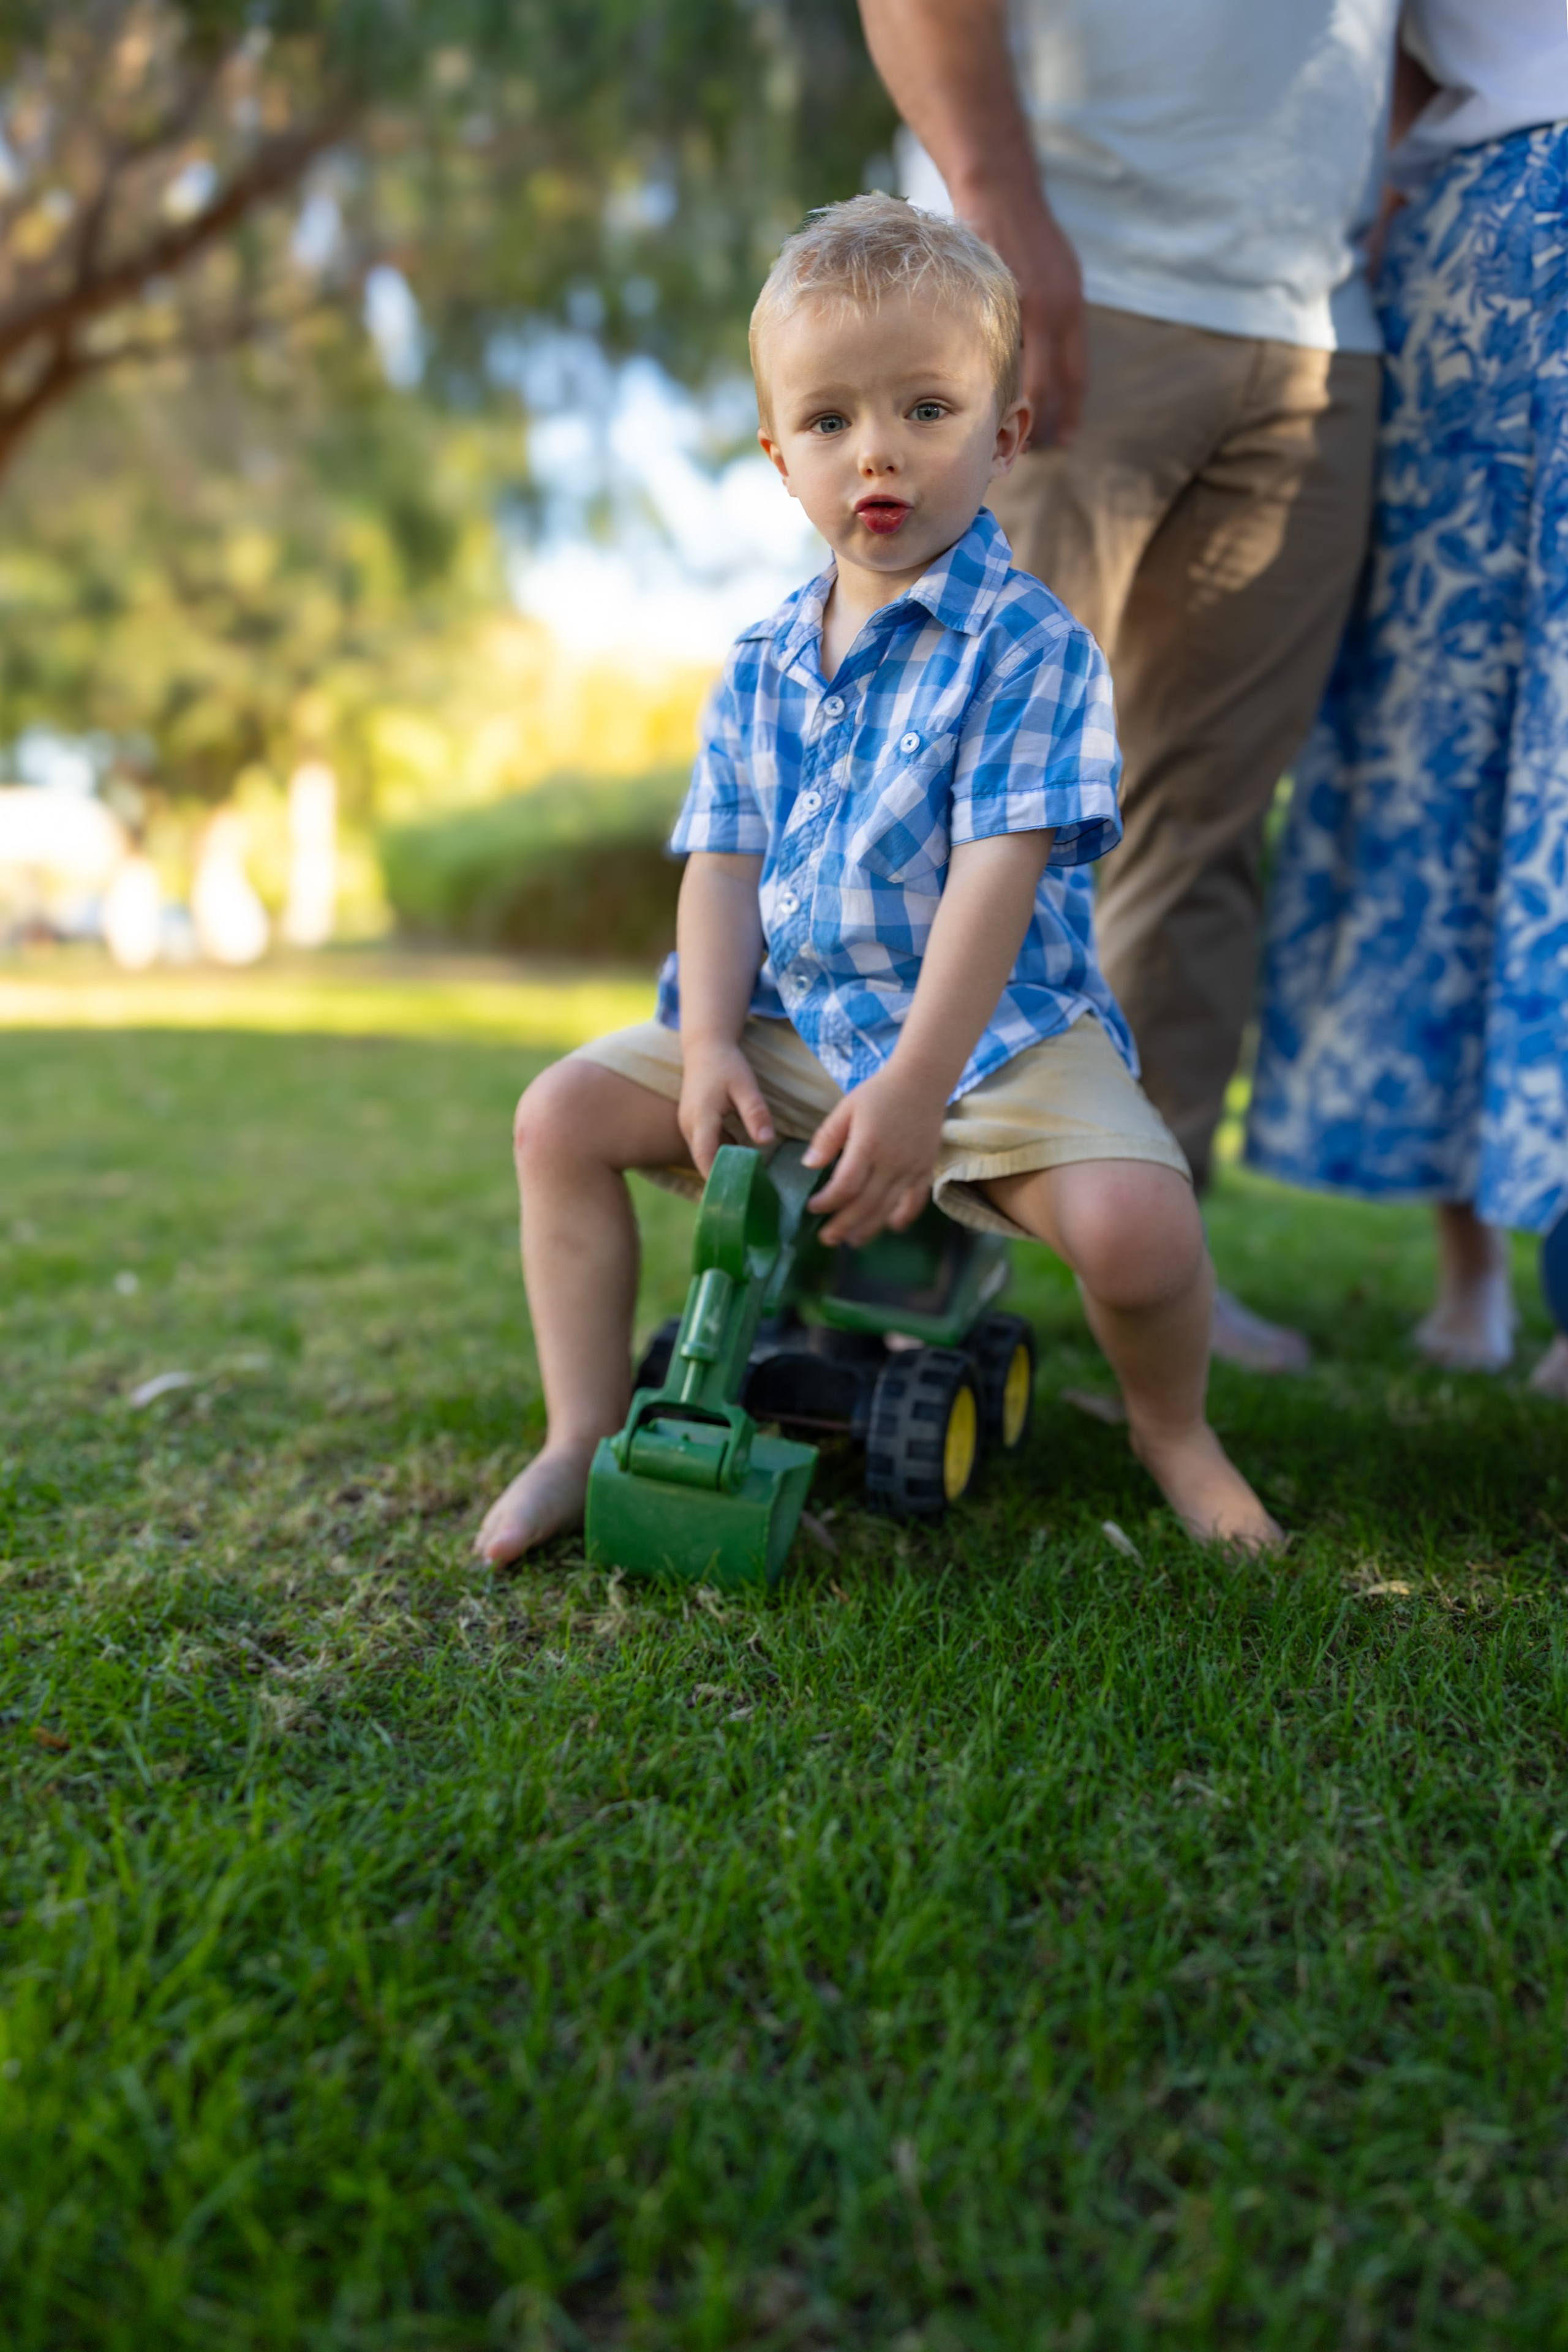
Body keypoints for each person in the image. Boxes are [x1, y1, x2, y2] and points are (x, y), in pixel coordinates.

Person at [476, 197, 1279, 1567]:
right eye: (832, 420)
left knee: (1139, 1227)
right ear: (778, 455)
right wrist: (712, 1041)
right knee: (556, 1118)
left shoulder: (1031, 649)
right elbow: (720, 865)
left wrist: (913, 1090)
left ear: (1004, 435)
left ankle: (1171, 1431)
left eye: (925, 407)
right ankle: (575, 1434)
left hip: (989, 1039)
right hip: (790, 1029)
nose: (878, 453)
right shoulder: (757, 664)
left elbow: (995, 878)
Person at [857, 0, 1401, 1371]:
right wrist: (994, 203)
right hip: (1060, 279)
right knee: (928, 794)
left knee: (1199, 829)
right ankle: (885, 1274)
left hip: (1310, 331)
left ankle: (1151, 1272)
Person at [1246, 3, 1568, 1389]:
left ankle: (1487, 1276)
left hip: (1471, 240)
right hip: (1480, 243)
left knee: (1471, 752)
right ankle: (1475, 1268)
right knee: (1461, 752)